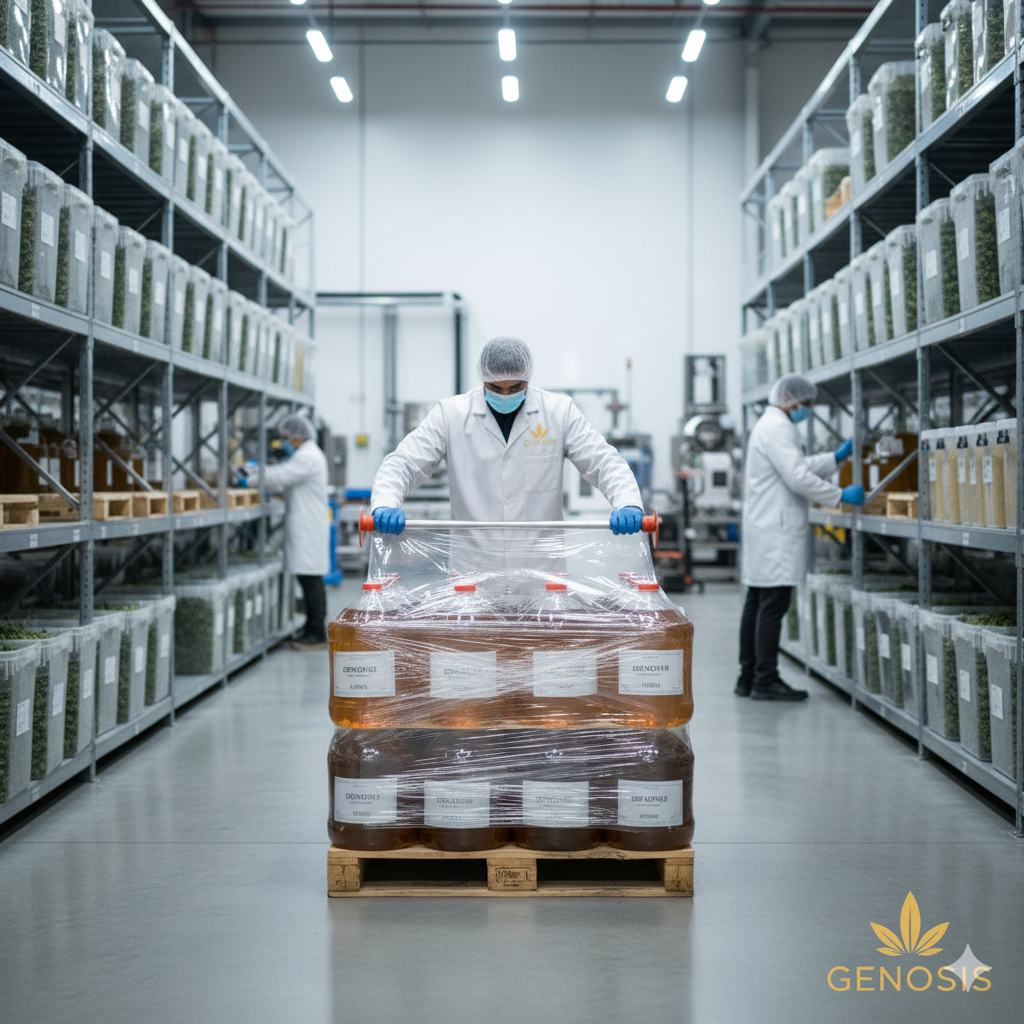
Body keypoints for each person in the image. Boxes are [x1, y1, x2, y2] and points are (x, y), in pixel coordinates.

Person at [369, 336, 645, 539]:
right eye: (494, 387)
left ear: (528, 378)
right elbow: (404, 462)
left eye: (515, 387)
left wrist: (627, 501)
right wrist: (385, 502)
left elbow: (603, 461)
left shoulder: (558, 412)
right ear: (482, 379)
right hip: (473, 571)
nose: (504, 395)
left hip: (540, 570)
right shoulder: (451, 414)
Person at [737, 373, 864, 701]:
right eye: (805, 405)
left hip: (764, 525)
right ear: (790, 399)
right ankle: (765, 682)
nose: (805, 410)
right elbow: (796, 477)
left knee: (757, 600)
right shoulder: (779, 427)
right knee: (773, 604)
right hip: (775, 529)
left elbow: (793, 466)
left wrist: (833, 459)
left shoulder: (768, 425)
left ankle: (748, 678)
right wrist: (839, 495)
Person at [248, 414, 330, 651]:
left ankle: (316, 633)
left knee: (310, 579)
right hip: (307, 524)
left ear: (296, 437)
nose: (283, 443)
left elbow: (280, 476)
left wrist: (252, 477)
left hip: (309, 526)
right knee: (308, 577)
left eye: (285, 438)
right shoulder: (307, 455)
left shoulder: (308, 457)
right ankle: (310, 628)